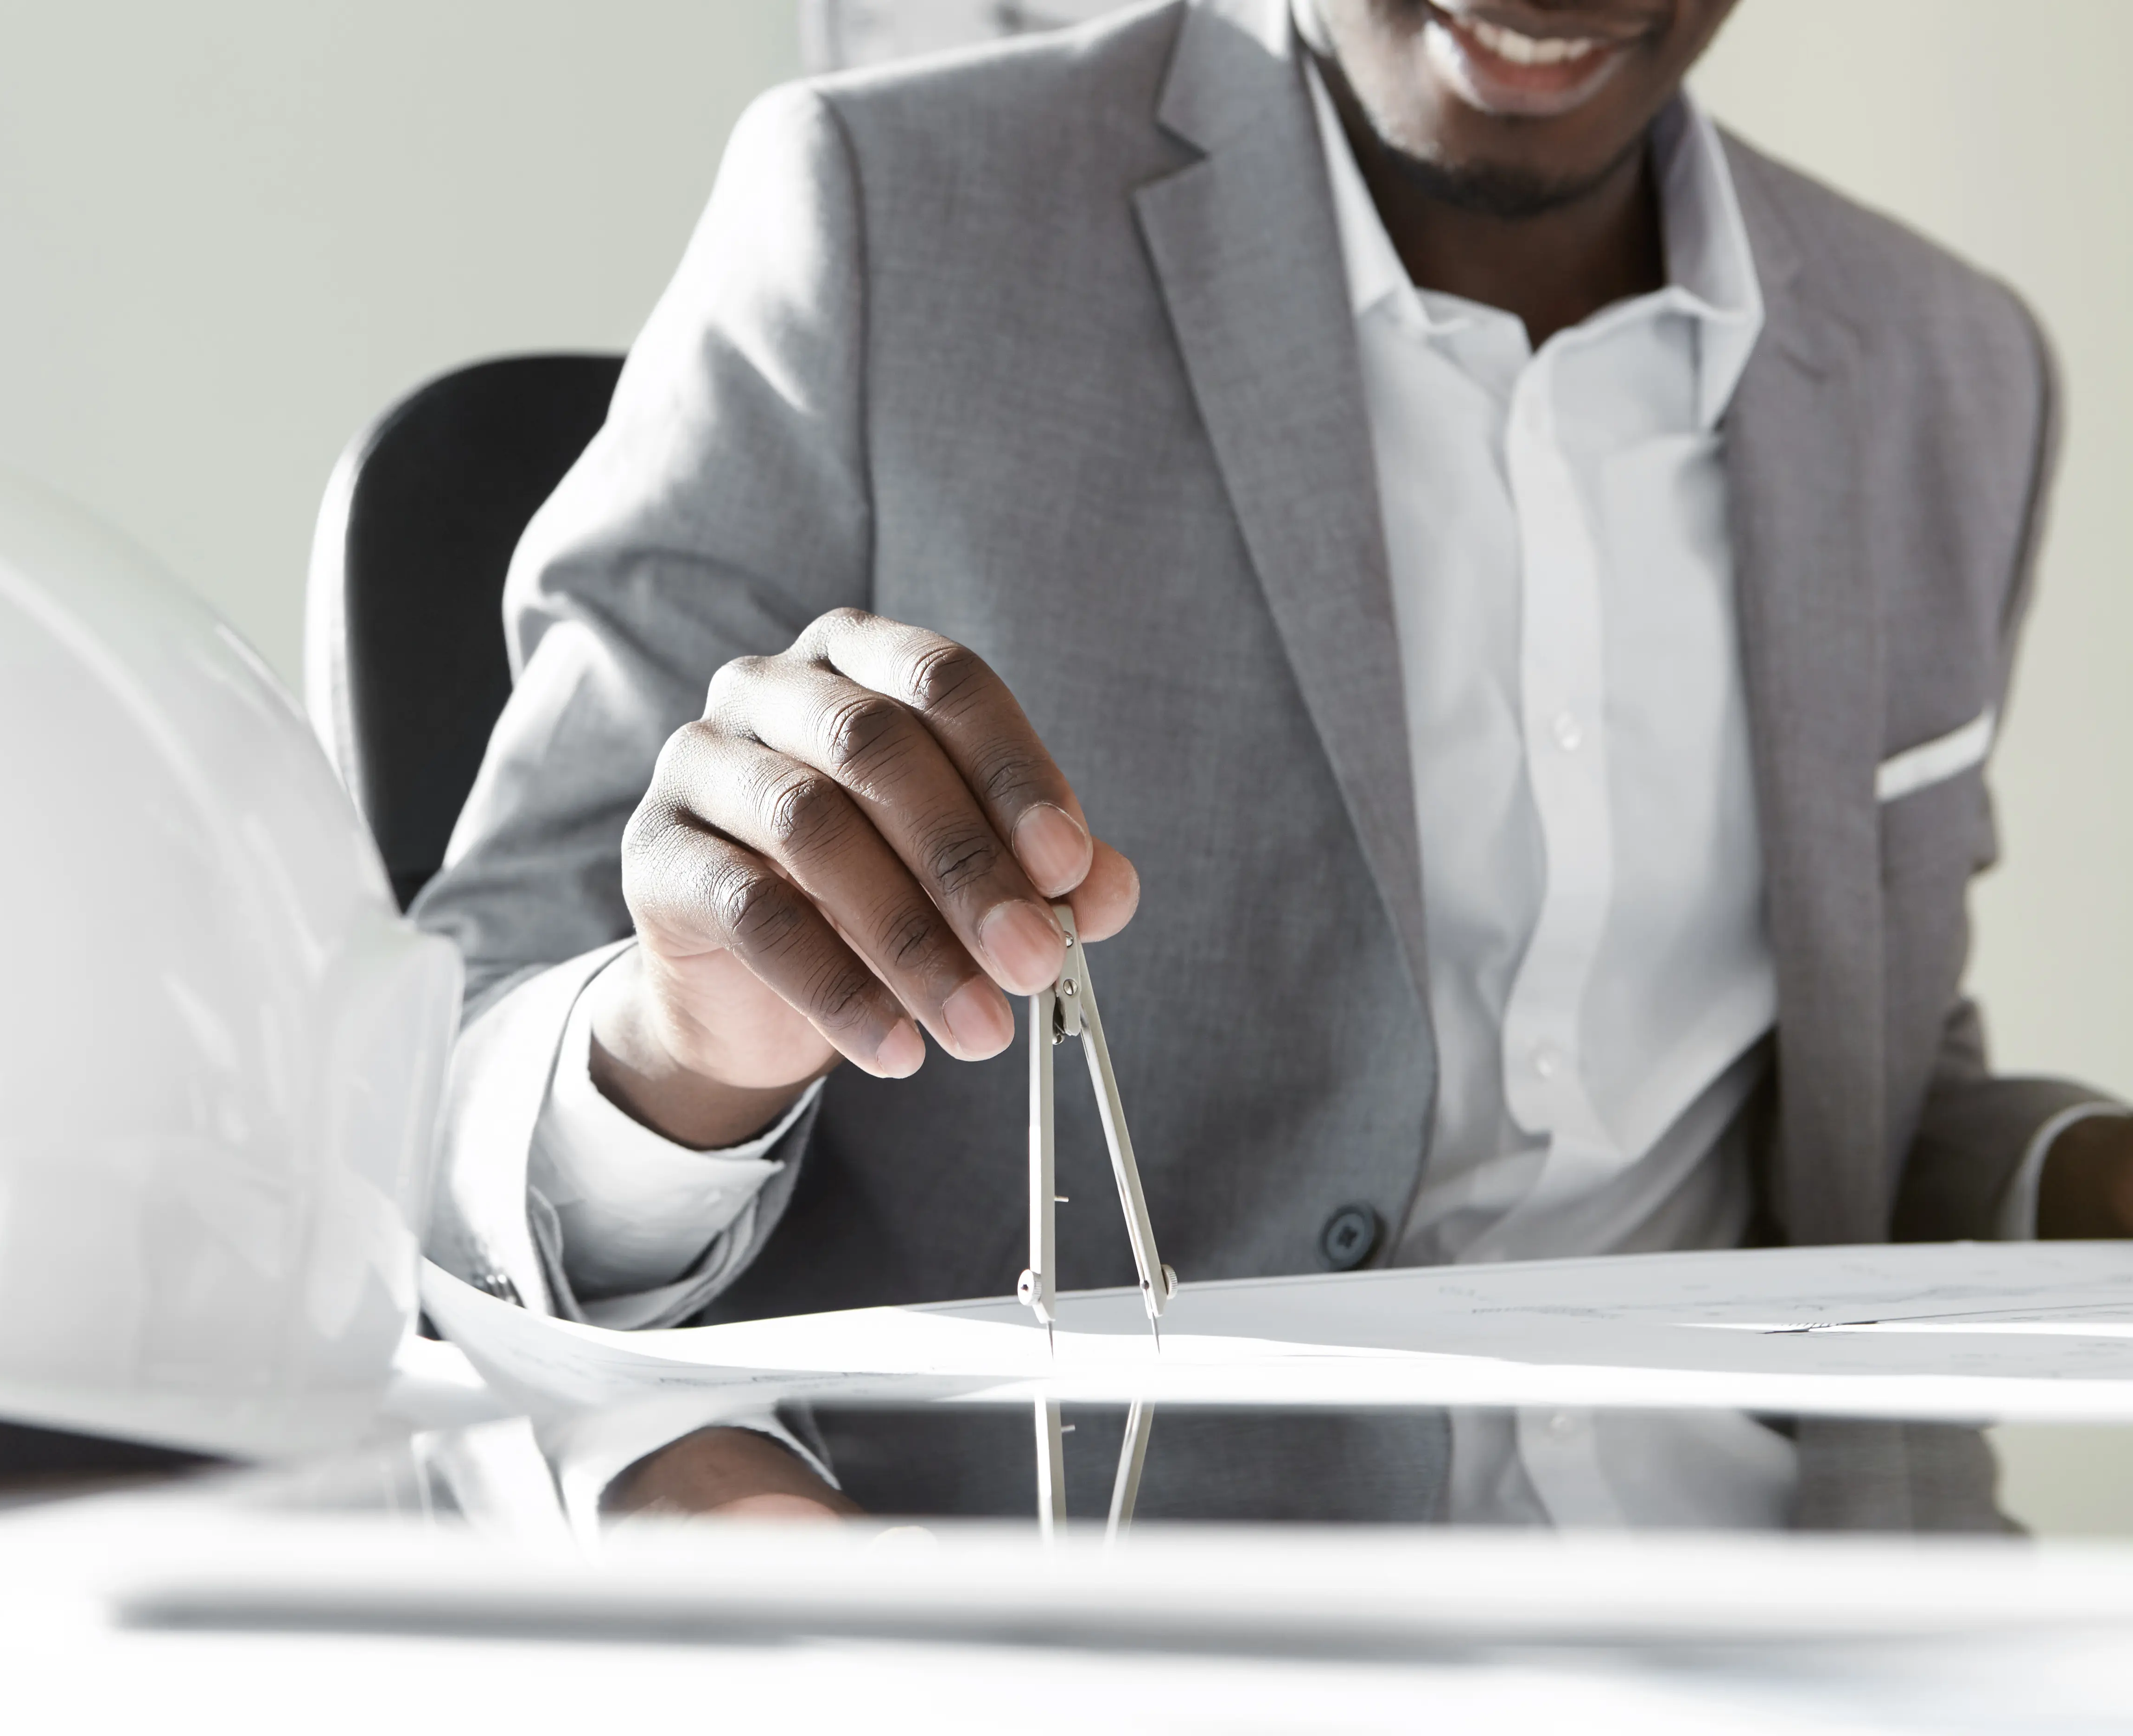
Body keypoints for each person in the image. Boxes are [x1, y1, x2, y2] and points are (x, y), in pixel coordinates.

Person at [412, 0, 2133, 1511]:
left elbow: (1858, 1099)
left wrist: (2077, 1174)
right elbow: (445, 1084)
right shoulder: (875, 213)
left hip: (1805, 1612)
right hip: (1099, 1609)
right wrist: (684, 1045)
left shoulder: (1952, 370)